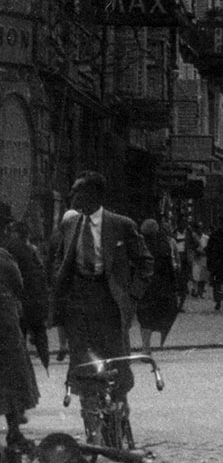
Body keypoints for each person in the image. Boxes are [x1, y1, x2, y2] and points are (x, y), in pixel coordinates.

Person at [48, 172, 154, 401]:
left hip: (109, 302)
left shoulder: (121, 225)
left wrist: (132, 295)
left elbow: (145, 263)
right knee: (83, 365)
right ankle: (90, 418)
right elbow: (60, 257)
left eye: (78, 191)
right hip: (78, 303)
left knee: (116, 362)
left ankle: (118, 413)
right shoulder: (70, 223)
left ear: (94, 194)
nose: (72, 196)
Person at [0, 203, 47, 445]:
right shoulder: (4, 255)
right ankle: (14, 432)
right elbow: (18, 285)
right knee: (11, 377)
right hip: (4, 325)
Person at [135, 219, 180, 353]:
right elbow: (170, 266)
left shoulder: (139, 243)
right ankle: (157, 341)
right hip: (161, 286)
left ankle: (146, 346)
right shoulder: (164, 243)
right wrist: (174, 284)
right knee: (158, 314)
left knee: (144, 317)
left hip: (145, 286)